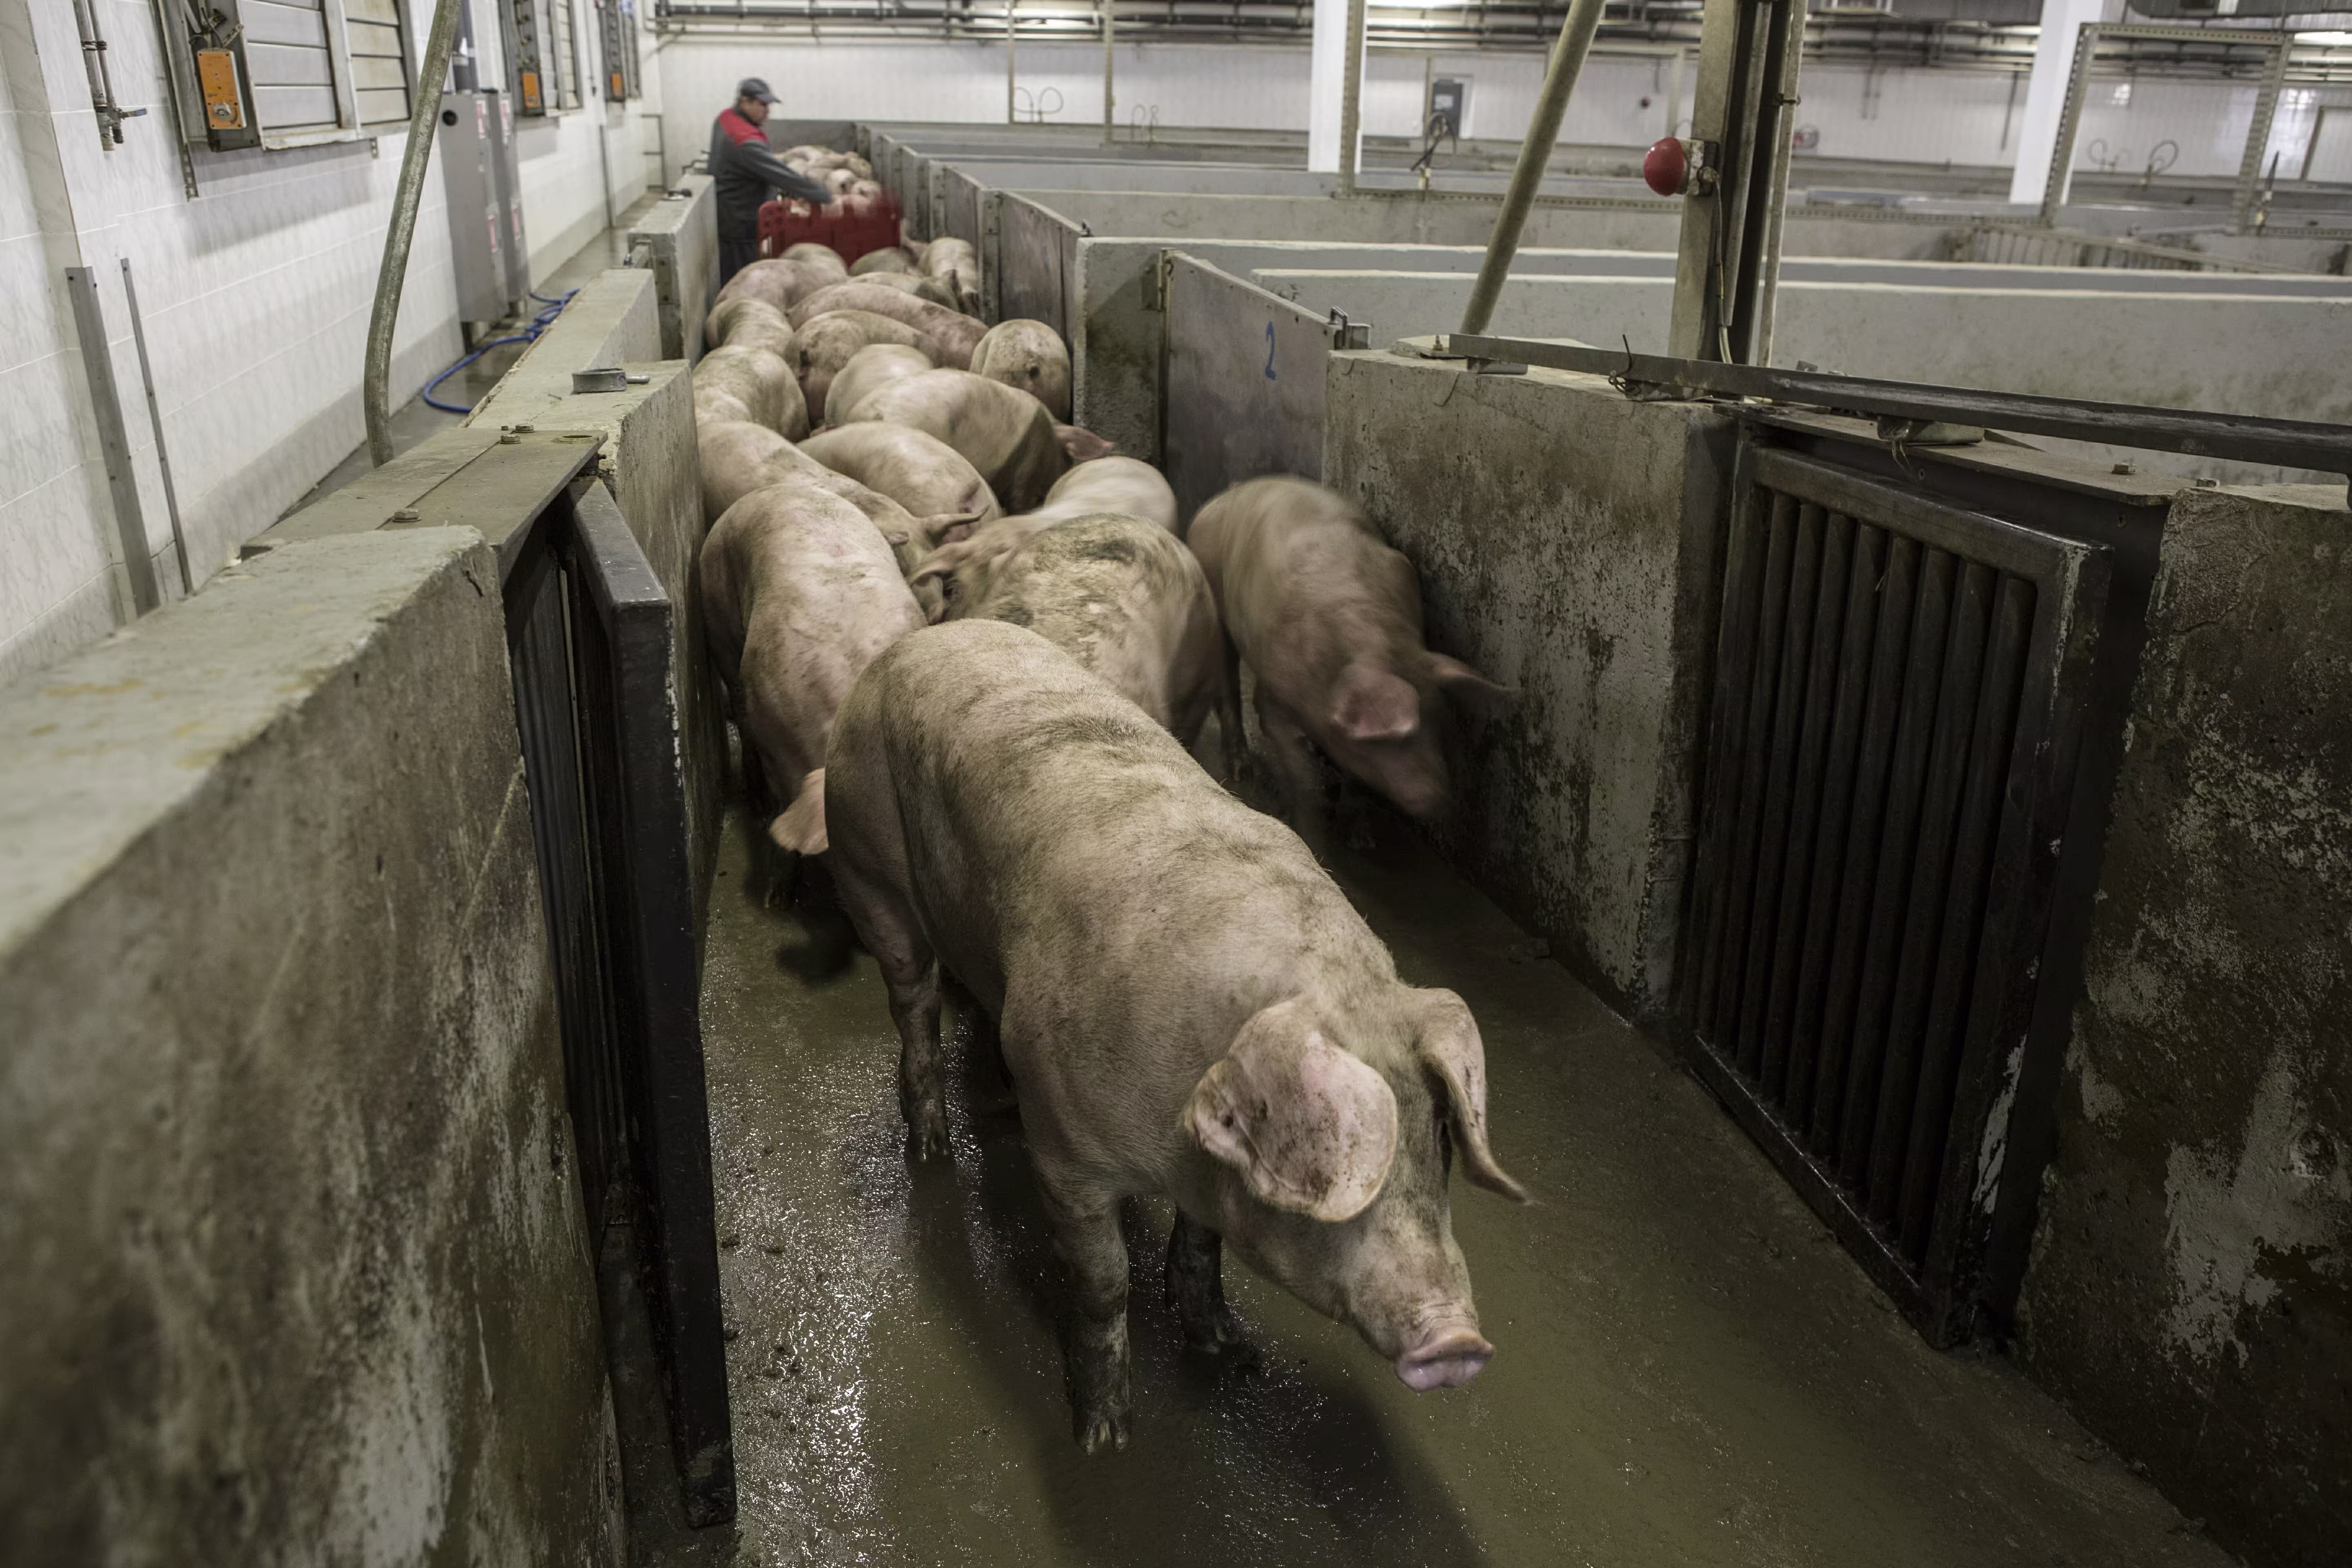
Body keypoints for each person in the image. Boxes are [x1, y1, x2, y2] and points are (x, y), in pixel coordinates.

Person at [709, 78, 835, 286]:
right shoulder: (744, 140)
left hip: (727, 211)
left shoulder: (725, 118)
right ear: (745, 101)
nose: (768, 111)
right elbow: (782, 175)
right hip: (740, 221)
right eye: (763, 105)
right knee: (742, 279)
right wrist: (825, 196)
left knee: (732, 272)